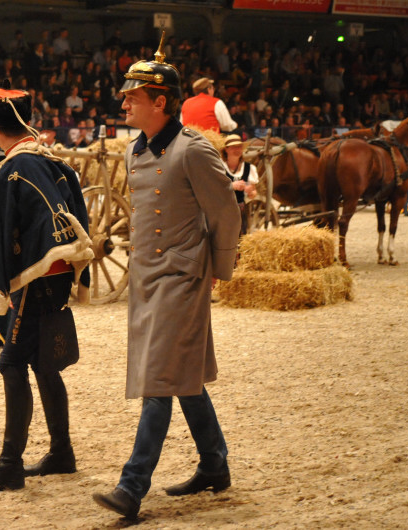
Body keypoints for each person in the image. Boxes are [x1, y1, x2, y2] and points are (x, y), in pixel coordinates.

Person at [92, 36, 241, 520]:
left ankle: (131, 487)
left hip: (182, 276)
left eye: (132, 97)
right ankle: (215, 465)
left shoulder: (193, 149)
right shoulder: (136, 151)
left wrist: (219, 270)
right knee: (183, 376)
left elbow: (226, 213)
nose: (124, 102)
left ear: (160, 101)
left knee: (158, 378)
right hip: (147, 277)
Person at [0, 87, 93, 490]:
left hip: (34, 280)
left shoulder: (12, 169)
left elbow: (4, 236)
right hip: (56, 275)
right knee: (43, 364)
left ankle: (9, 465)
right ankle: (61, 453)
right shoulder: (48, 159)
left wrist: (1, 288)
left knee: (11, 363)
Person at [222, 134, 259, 235]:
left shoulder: (249, 168)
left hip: (240, 210)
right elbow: (213, 189)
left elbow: (254, 192)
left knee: (240, 238)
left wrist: (251, 192)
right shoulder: (219, 167)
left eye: (239, 147)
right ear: (226, 149)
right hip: (222, 210)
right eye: (234, 147)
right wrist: (232, 186)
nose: (237, 149)